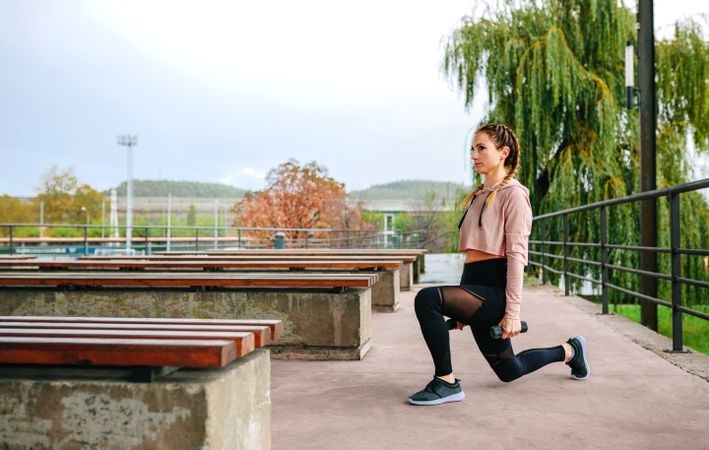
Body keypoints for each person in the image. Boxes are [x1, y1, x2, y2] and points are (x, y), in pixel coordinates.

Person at [408, 123, 589, 406]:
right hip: (476, 288)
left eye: (481, 148)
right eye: (472, 149)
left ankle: (446, 382)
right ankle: (570, 351)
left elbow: (517, 257)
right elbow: (473, 256)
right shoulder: (478, 195)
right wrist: (462, 307)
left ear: (503, 153)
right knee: (509, 370)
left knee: (427, 299)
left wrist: (512, 313)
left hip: (494, 292)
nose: (474, 155)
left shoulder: (514, 195)